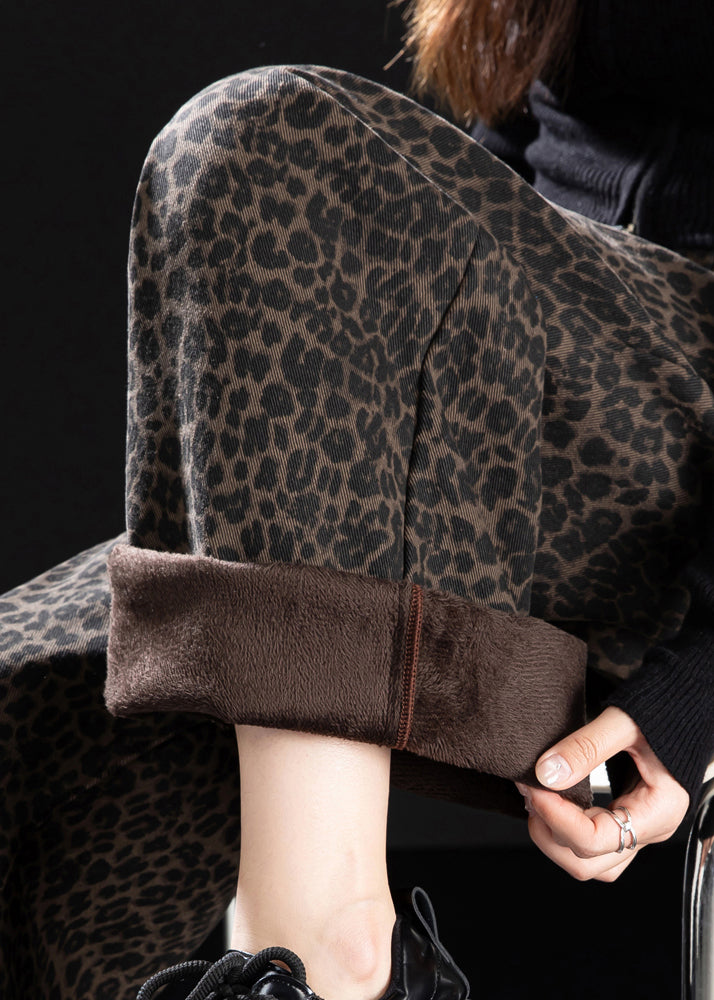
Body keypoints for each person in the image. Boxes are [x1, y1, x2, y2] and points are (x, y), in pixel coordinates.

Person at [2, 1, 713, 998]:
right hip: (547, 391)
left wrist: (702, 682)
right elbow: (505, 174)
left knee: (260, 136)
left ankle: (335, 961)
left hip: (681, 434)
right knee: (34, 702)